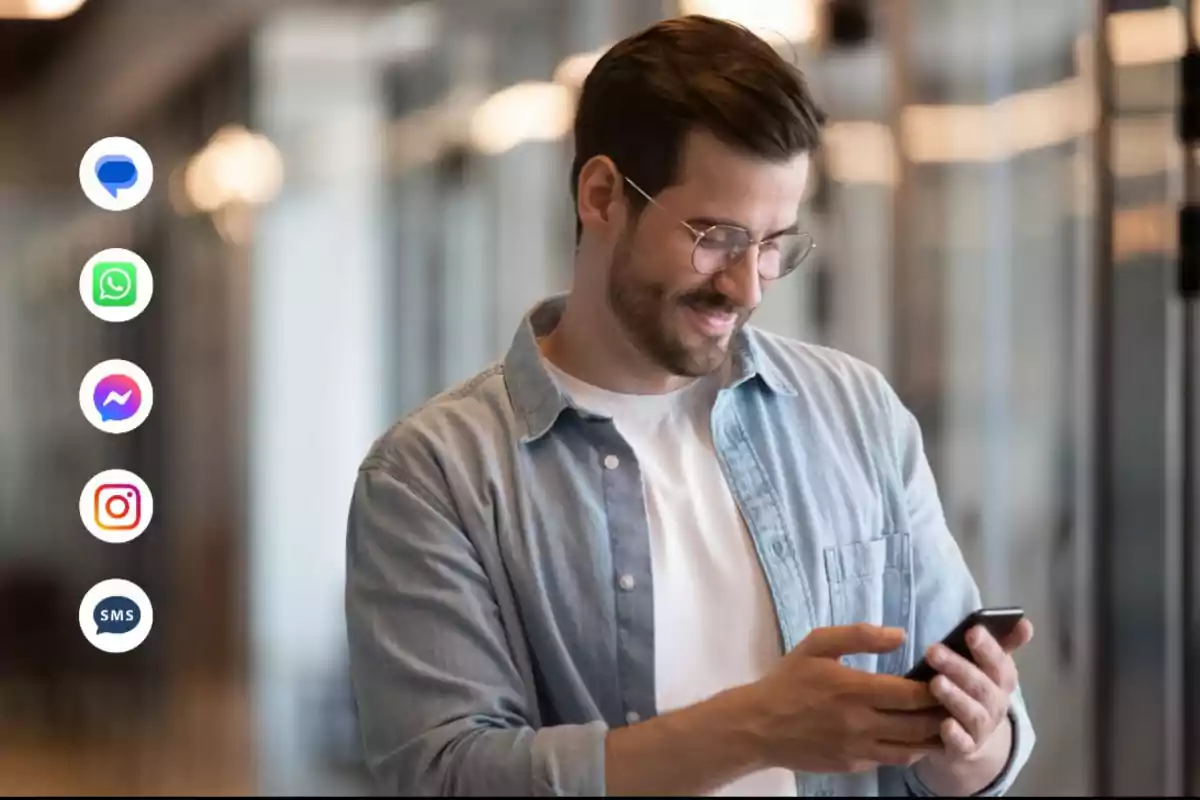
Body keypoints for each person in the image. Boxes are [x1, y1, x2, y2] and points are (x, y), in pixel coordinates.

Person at [345, 13, 1035, 797]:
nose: (747, 286)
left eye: (774, 242)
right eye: (716, 236)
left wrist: (972, 742)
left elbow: (978, 746)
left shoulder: (856, 412)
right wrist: (753, 728)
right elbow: (446, 776)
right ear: (602, 196)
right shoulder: (434, 476)